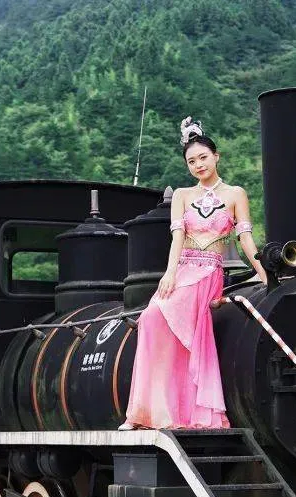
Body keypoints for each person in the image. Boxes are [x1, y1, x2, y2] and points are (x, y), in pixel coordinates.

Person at [119, 118, 265, 430]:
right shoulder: (183, 195)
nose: (198, 165)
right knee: (150, 320)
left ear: (216, 156)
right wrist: (169, 273)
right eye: (191, 161)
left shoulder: (235, 194)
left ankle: (189, 412)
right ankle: (145, 413)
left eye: (203, 157)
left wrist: (263, 273)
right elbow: (177, 238)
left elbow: (245, 238)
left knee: (187, 339)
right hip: (182, 269)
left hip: (209, 272)